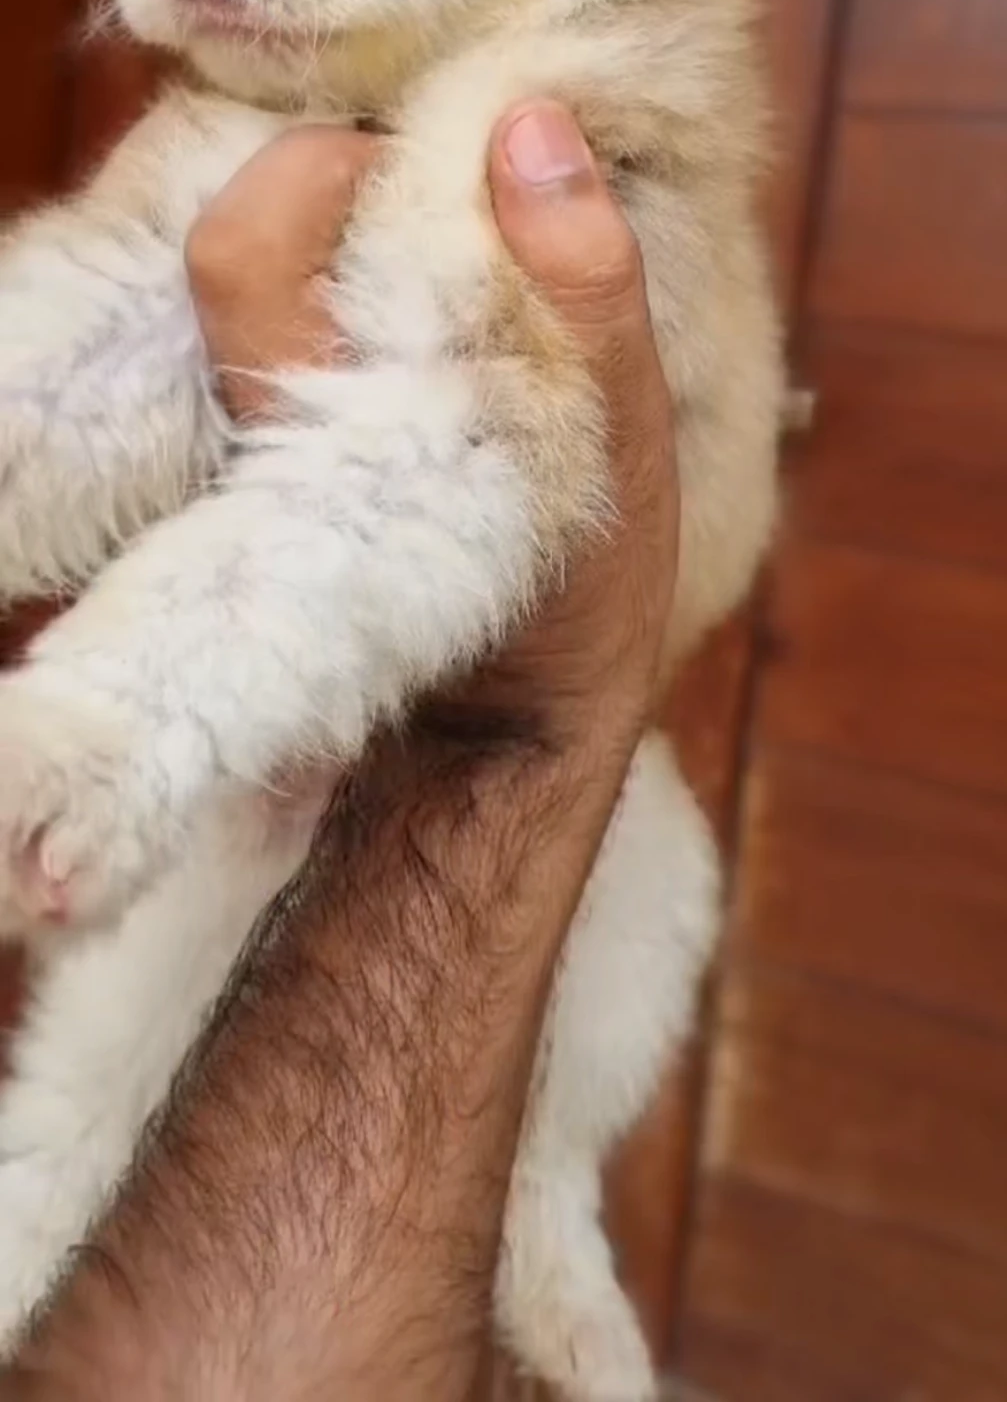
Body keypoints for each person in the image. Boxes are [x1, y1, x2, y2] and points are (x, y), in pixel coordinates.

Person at [2, 101, 679, 1401]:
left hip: (333, 715)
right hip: (286, 764)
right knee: (75, 1144)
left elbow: (471, 447)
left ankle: (543, 1193)